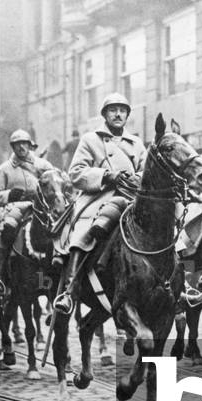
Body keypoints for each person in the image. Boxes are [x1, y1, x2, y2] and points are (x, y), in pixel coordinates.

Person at [54, 93, 145, 315]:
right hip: (99, 195)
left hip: (132, 196)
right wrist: (105, 175)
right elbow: (75, 172)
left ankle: (180, 283)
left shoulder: (136, 142)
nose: (118, 114)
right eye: (113, 110)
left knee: (164, 222)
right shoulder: (90, 140)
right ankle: (70, 288)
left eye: (122, 110)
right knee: (84, 227)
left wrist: (138, 178)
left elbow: (146, 171)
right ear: (104, 114)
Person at [0, 133, 56, 295]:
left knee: (62, 228)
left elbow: (56, 184)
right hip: (17, 207)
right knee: (8, 227)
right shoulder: (4, 169)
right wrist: (10, 195)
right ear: (12, 147)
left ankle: (65, 274)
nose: (21, 147)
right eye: (17, 144)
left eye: (24, 143)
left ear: (29, 144)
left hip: (44, 208)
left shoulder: (44, 166)